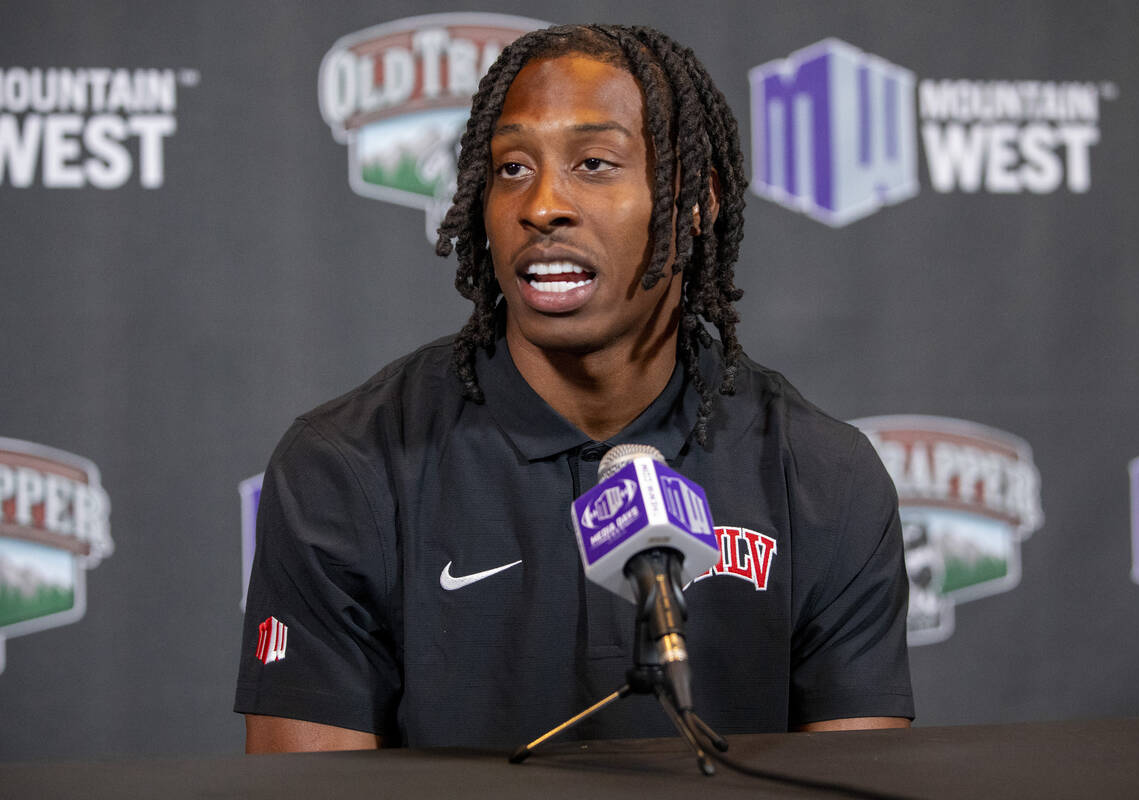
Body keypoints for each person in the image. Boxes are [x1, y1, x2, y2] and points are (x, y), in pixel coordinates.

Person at [235, 23, 913, 753]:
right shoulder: (346, 468)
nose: (542, 205)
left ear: (695, 200)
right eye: (512, 168)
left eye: (593, 162)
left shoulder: (824, 477)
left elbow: (855, 777)